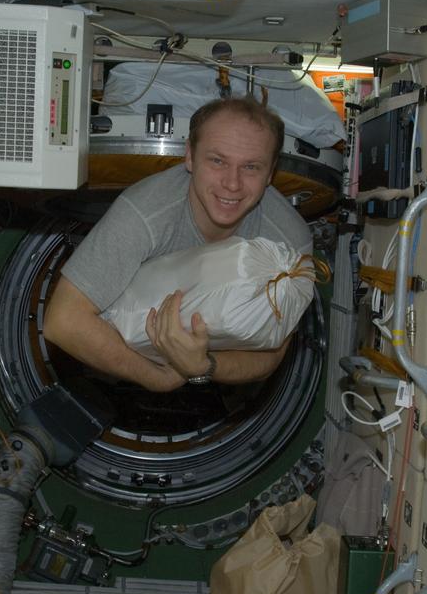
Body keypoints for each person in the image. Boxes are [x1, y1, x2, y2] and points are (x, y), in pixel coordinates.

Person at [43, 96, 313, 392]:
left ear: (271, 172)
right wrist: (160, 379)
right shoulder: (145, 213)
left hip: (220, 380)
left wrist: (201, 366)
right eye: (217, 160)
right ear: (189, 157)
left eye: (251, 167)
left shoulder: (288, 245)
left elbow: (273, 353)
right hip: (119, 368)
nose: (232, 184)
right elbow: (63, 321)